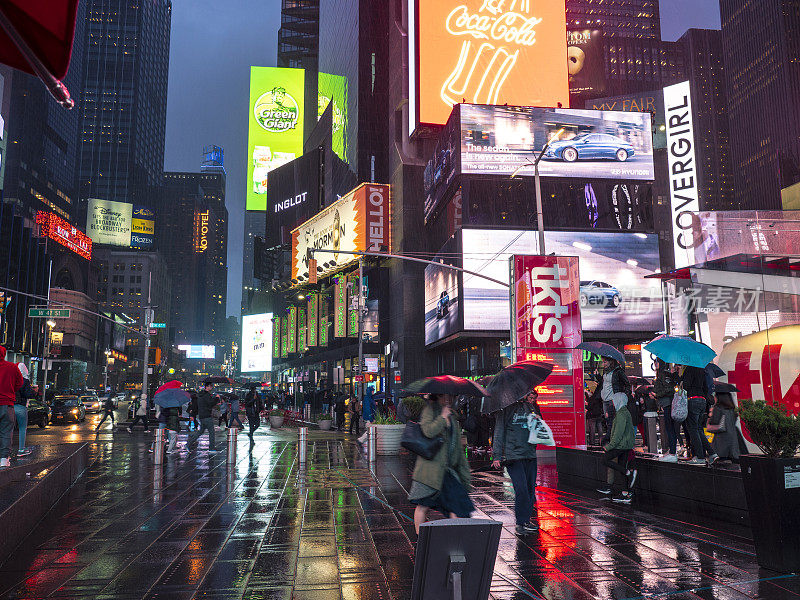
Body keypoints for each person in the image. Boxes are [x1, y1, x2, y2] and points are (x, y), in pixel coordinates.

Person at [408, 394, 473, 534]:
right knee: (423, 505)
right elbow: (428, 431)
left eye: (450, 396)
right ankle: (421, 538)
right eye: (444, 396)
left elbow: (457, 448)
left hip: (447, 471)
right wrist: (442, 418)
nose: (448, 399)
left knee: (458, 505)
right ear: (437, 396)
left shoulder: (453, 415)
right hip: (430, 470)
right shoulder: (430, 410)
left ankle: (455, 539)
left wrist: (465, 474)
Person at [492, 390, 543, 534]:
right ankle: (520, 523)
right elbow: (499, 431)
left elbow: (539, 431)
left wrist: (538, 421)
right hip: (513, 456)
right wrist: (497, 455)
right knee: (521, 490)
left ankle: (526, 520)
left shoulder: (532, 407)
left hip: (530, 455)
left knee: (530, 490)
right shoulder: (506, 409)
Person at [598, 387, 637, 503]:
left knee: (604, 459)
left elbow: (618, 434)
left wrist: (608, 446)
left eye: (614, 401)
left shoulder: (621, 415)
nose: (613, 403)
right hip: (625, 445)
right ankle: (625, 494)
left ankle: (628, 473)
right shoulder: (623, 412)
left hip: (621, 445)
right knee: (621, 466)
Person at [679, 364, 719, 465]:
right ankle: (712, 453)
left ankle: (700, 457)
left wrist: (681, 379)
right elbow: (706, 388)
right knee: (699, 429)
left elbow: (686, 386)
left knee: (692, 429)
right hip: (702, 401)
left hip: (692, 400)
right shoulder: (702, 370)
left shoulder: (689, 369)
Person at [653, 359, 680, 461]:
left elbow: (668, 389)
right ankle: (672, 451)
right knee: (669, 428)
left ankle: (673, 453)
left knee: (670, 429)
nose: (655, 364)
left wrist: (657, 394)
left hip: (668, 404)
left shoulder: (664, 374)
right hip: (666, 403)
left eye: (656, 362)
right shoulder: (663, 374)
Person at [0, 346, 23, 467]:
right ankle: (4, 459)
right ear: (4, 354)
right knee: (6, 432)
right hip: (7, 404)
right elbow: (20, 383)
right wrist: (10, 390)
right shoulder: (12, 367)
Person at [709, 390, 740, 463]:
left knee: (720, 465)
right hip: (733, 442)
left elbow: (713, 425)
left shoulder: (718, 408)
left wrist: (710, 417)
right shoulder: (732, 409)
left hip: (721, 442)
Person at [189, 382, 219, 452]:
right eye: (210, 386)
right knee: (211, 432)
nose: (211, 388)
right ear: (207, 387)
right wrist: (217, 398)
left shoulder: (200, 395)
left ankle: (188, 444)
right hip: (207, 415)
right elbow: (210, 403)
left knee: (200, 432)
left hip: (202, 415)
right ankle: (211, 448)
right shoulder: (206, 395)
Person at [14, 364, 37, 456]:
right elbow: (27, 394)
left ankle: (5, 452)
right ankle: (21, 450)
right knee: (22, 428)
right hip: (21, 406)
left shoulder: (11, 379)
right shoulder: (25, 380)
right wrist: (34, 392)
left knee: (7, 429)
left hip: (10, 406)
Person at [585, 378, 604, 447]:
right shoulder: (600, 396)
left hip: (592, 415)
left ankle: (592, 442)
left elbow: (590, 407)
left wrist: (587, 405)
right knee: (600, 428)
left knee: (592, 430)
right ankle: (601, 441)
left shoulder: (592, 398)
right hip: (598, 414)